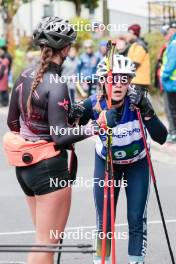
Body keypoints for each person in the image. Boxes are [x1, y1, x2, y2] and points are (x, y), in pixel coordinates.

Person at [6, 17, 94, 264]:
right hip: (49, 167)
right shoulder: (57, 84)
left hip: (25, 169)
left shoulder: (24, 75)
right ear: (65, 49)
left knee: (42, 241)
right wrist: (94, 128)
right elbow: (60, 136)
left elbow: (13, 123)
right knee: (47, 246)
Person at [70, 55, 168, 264]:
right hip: (107, 165)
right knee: (104, 221)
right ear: (103, 81)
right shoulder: (93, 104)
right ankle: (100, 260)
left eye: (124, 79)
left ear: (129, 82)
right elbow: (68, 132)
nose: (118, 84)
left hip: (137, 164)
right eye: (113, 79)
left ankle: (136, 261)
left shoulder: (138, 101)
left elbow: (162, 137)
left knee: (135, 219)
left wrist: (148, 112)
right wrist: (83, 119)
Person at [161, 21, 176, 143]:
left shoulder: (174, 43)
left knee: (171, 109)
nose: (169, 32)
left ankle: (173, 133)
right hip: (172, 82)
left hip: (171, 83)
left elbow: (171, 63)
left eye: (171, 30)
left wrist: (163, 76)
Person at [127, 24, 151, 93]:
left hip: (139, 81)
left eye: (128, 33)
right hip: (136, 80)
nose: (127, 35)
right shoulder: (135, 45)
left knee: (137, 103)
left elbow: (135, 64)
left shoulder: (139, 46)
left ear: (132, 33)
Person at [0, 38, 10, 106]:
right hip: (4, 76)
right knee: (4, 90)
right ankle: (4, 102)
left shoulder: (6, 58)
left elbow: (2, 69)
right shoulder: (5, 58)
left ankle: (4, 102)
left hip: (3, 77)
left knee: (3, 90)